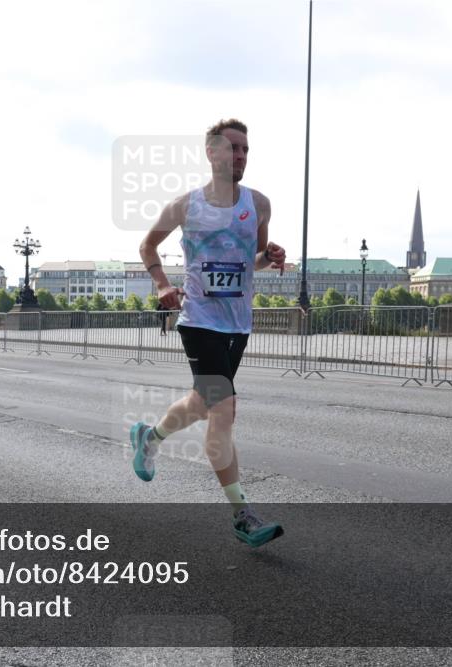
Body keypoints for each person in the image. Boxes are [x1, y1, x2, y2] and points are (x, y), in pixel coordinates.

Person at [131, 118, 287, 548]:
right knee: (224, 409)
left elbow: (251, 259)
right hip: (199, 319)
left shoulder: (259, 204)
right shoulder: (186, 206)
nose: (240, 157)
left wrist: (269, 256)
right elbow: (147, 246)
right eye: (232, 149)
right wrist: (163, 285)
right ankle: (242, 513)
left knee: (202, 403)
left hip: (238, 322)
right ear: (212, 153)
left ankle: (150, 436)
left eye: (245, 150)